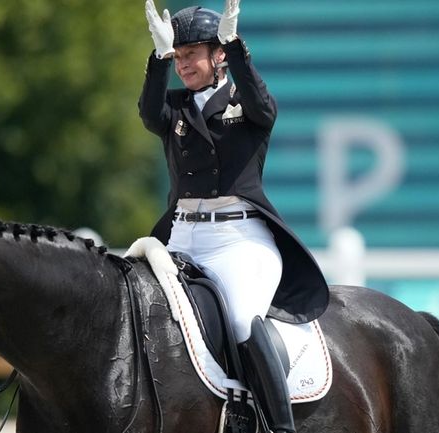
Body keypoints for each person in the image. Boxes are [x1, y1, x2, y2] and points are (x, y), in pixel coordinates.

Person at [139, 1, 329, 431]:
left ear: (218, 55)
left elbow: (264, 107)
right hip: (182, 237)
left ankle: (281, 426)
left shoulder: (247, 105)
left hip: (239, 241)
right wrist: (158, 60)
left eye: (192, 54)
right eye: (179, 56)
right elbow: (149, 114)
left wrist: (237, 47)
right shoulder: (175, 108)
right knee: (141, 308)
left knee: (243, 318)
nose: (184, 64)